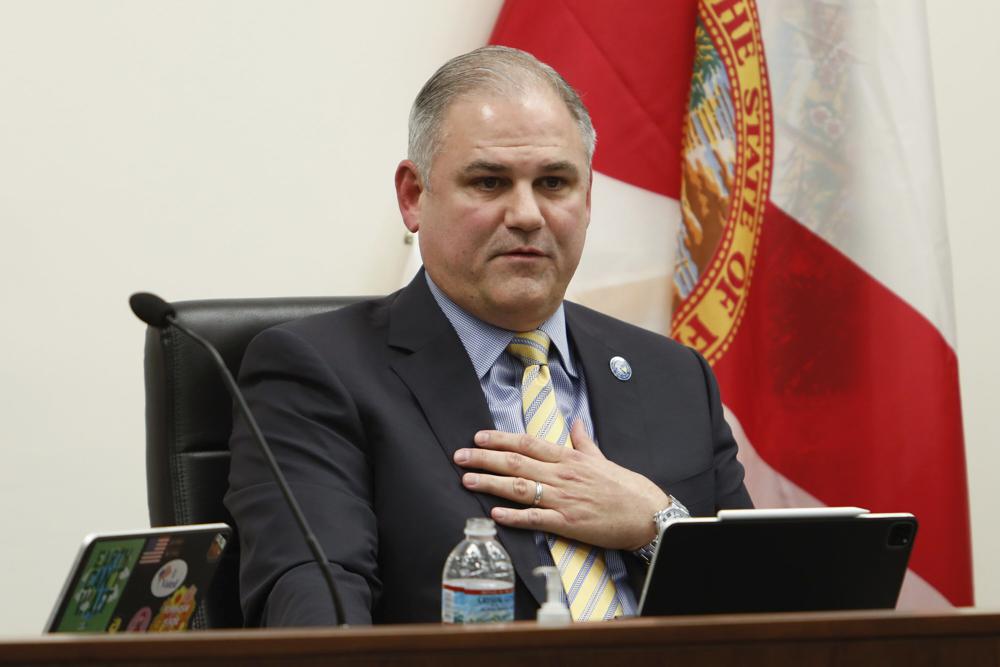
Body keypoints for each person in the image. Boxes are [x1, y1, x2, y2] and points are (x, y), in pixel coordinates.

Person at [225, 45, 751, 627]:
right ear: (413, 196)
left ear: (587, 198)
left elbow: (774, 610)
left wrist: (659, 524)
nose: (527, 214)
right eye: (489, 182)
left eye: (554, 182)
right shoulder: (317, 372)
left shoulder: (673, 375)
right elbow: (318, 616)